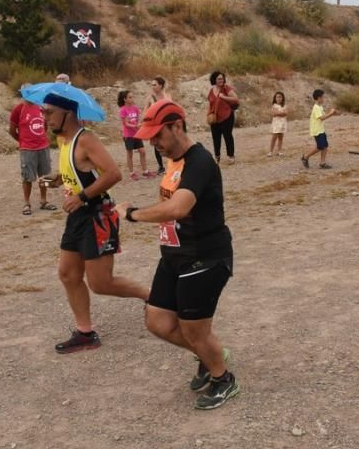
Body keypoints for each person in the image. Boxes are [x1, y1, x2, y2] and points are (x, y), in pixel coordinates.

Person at [115, 101, 238, 411]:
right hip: (174, 255)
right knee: (157, 321)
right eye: (150, 138)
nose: (153, 143)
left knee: (194, 330)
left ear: (177, 127)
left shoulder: (200, 162)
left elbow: (178, 207)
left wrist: (132, 214)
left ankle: (224, 379)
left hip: (205, 257)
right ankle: (210, 356)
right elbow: (169, 206)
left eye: (158, 136)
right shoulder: (173, 160)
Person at [42, 93, 150, 354]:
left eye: (49, 112)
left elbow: (113, 173)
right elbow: (82, 171)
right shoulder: (63, 139)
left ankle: (154, 297)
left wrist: (81, 196)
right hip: (78, 217)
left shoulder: (86, 139)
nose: (44, 118)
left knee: (101, 283)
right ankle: (85, 333)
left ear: (67, 113)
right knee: (68, 274)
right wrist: (61, 180)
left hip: (97, 215)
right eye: (43, 112)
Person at [9, 83, 57, 215]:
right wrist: (22, 141)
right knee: (27, 177)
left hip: (43, 147)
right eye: (26, 92)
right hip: (27, 149)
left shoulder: (40, 107)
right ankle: (26, 203)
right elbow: (12, 130)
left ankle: (44, 201)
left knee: (45, 176)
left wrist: (42, 137)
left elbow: (45, 124)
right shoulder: (18, 109)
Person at [118, 90, 153, 180]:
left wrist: (140, 126)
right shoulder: (123, 110)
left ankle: (145, 171)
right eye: (130, 97)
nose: (132, 99)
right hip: (128, 135)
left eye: (132, 97)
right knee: (130, 154)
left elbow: (137, 120)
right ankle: (131, 173)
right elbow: (125, 123)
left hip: (136, 134)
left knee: (142, 151)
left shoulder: (135, 108)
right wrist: (135, 125)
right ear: (125, 99)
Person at [207, 70, 240, 164]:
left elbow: (236, 99)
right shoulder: (211, 90)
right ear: (214, 80)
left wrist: (223, 97)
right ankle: (217, 157)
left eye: (222, 78)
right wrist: (208, 114)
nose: (221, 80)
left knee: (227, 136)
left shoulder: (226, 88)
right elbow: (210, 103)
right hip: (215, 118)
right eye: (219, 79)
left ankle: (231, 156)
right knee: (215, 137)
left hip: (227, 116)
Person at [301, 89, 337, 169]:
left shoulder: (320, 107)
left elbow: (324, 116)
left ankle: (322, 163)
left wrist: (332, 113)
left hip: (321, 129)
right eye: (323, 97)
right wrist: (331, 113)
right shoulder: (316, 107)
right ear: (318, 98)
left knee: (325, 146)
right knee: (320, 146)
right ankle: (305, 157)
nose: (324, 99)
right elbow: (322, 118)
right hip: (317, 130)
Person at [147, 77, 171, 175]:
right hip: (155, 125)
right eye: (152, 85)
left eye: (155, 85)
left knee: (169, 145)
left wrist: (163, 92)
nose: (153, 87)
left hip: (165, 125)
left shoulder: (167, 95)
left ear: (161, 86)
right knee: (157, 146)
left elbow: (170, 105)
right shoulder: (150, 98)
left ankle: (172, 165)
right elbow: (146, 111)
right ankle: (161, 167)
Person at [269, 91, 287, 157]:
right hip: (276, 124)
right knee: (274, 137)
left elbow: (285, 113)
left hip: (282, 124)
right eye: (277, 97)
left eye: (280, 97)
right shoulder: (274, 106)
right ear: (275, 98)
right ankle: (270, 151)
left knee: (280, 138)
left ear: (282, 98)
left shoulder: (284, 106)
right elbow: (273, 114)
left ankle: (279, 151)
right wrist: (281, 113)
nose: (278, 98)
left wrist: (278, 113)